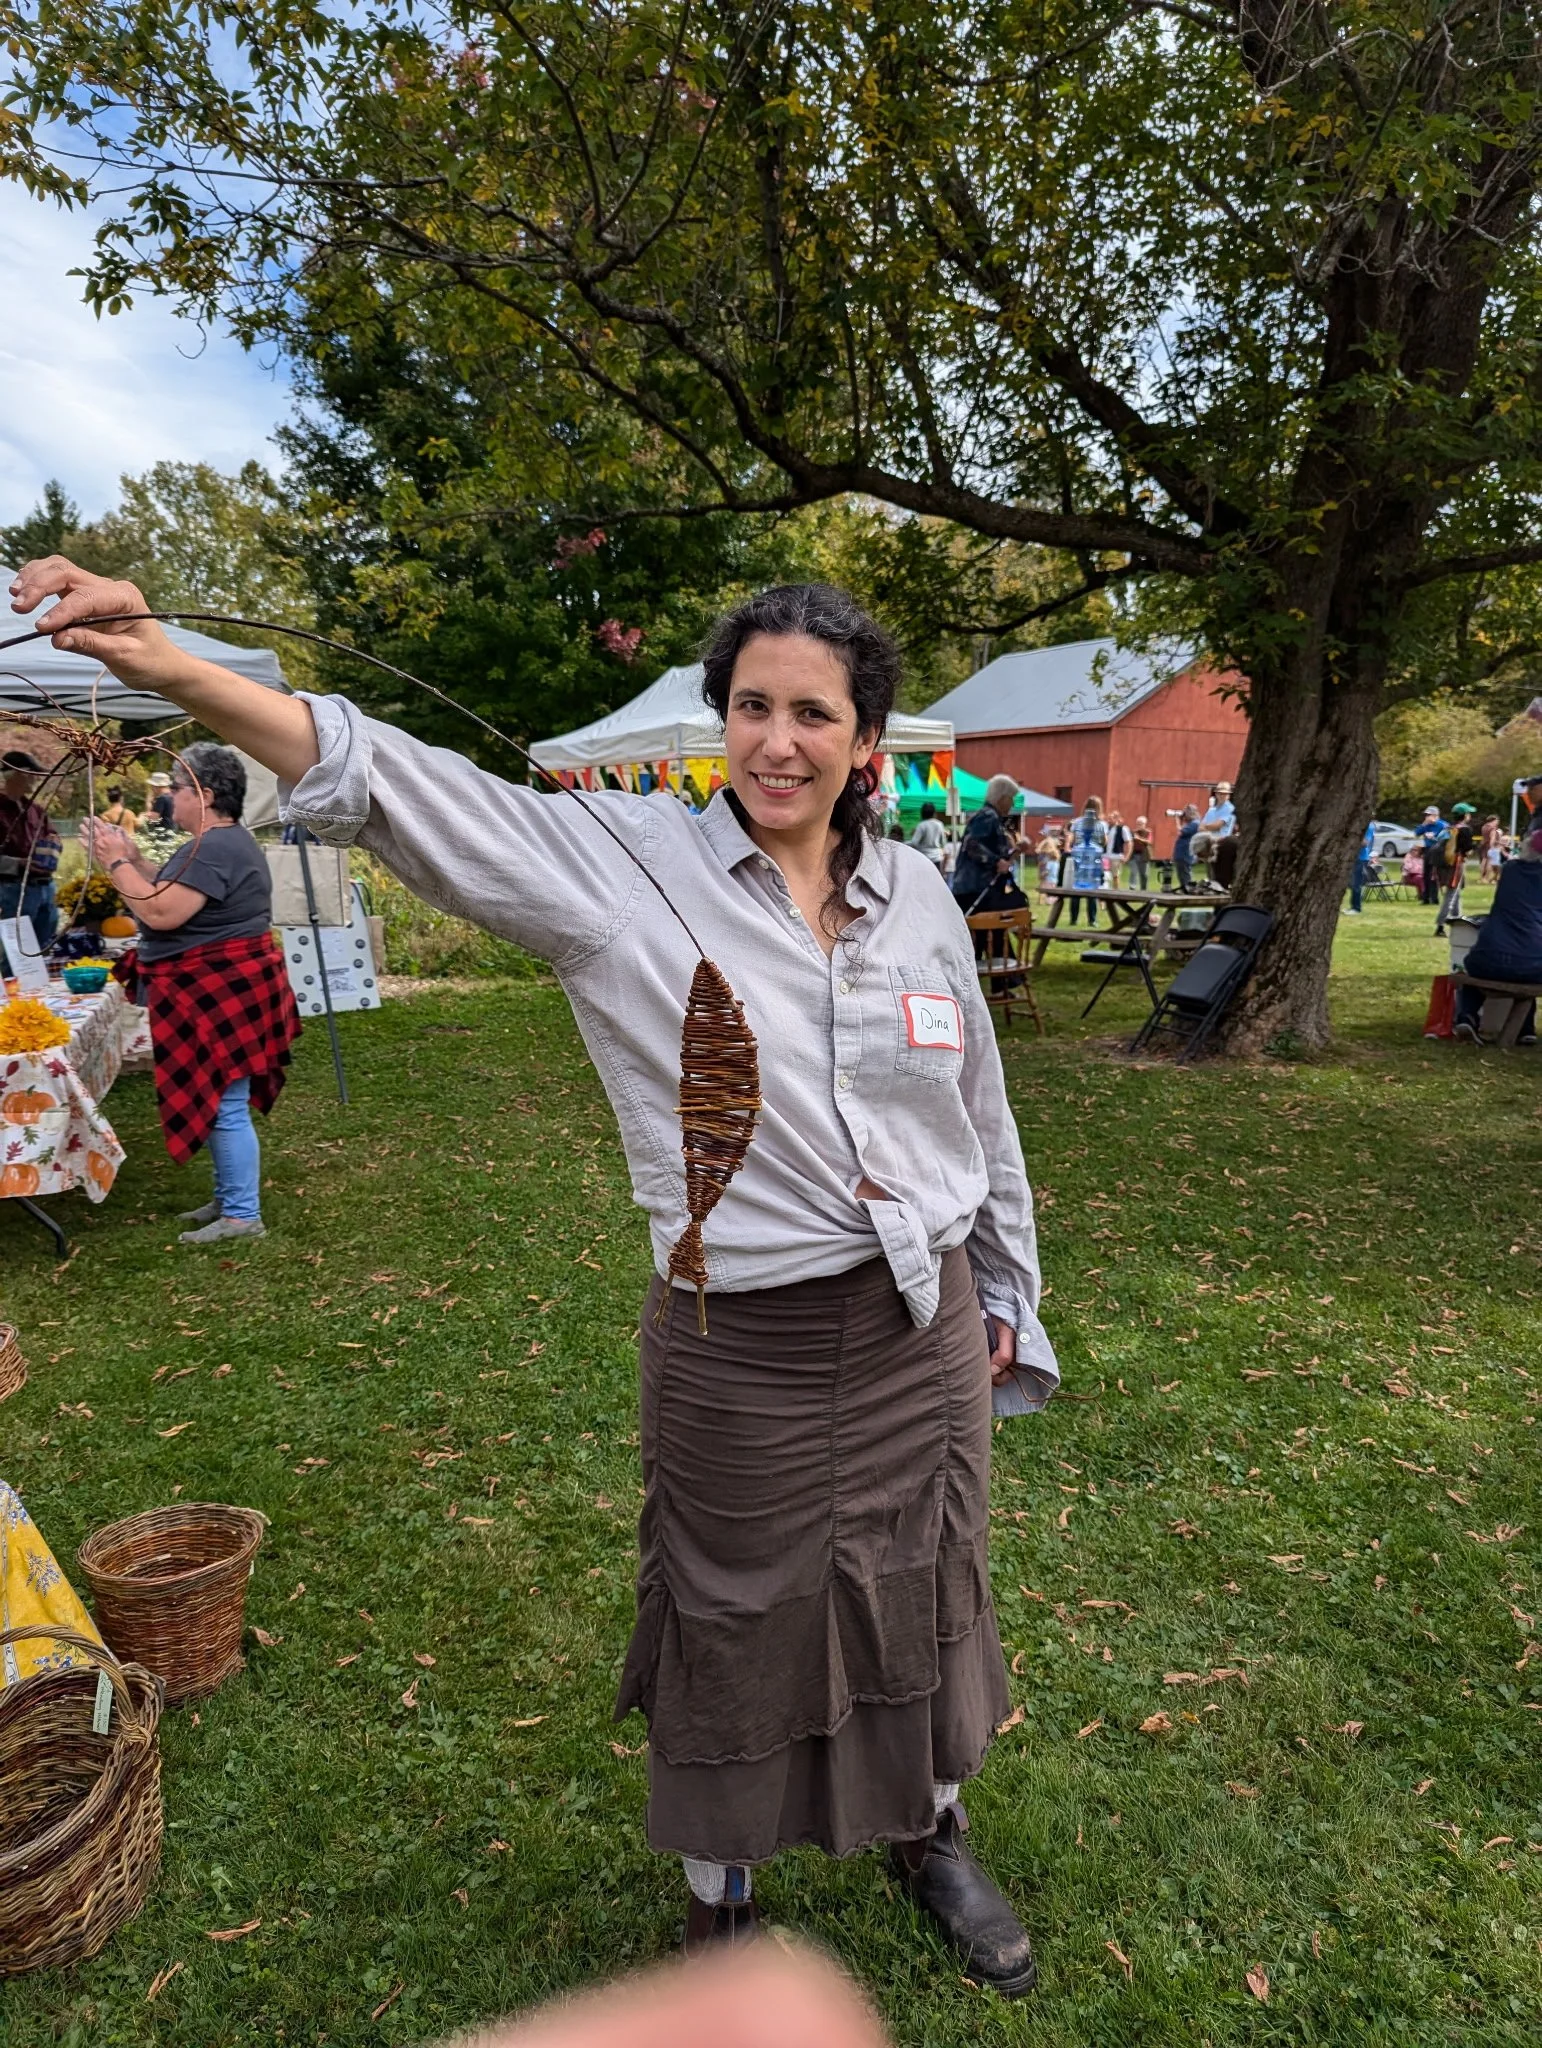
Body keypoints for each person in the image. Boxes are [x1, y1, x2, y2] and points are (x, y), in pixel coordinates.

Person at [14, 561, 1058, 1996]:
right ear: (719, 722)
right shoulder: (623, 872)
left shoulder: (922, 899)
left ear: (863, 742)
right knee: (738, 1623)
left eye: (812, 713)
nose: (776, 740)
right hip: (739, 1344)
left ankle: (928, 1827)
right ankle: (724, 1895)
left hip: (920, 1334)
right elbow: (398, 785)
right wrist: (175, 667)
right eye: (749, 705)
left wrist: (1005, 1283)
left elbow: (978, 1110)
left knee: (926, 1586)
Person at [82, 742, 300, 1246]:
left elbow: (160, 913)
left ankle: (243, 1216)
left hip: (218, 990)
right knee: (226, 1098)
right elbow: (174, 890)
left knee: (225, 1101)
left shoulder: (217, 846)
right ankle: (231, 1198)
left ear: (203, 795)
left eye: (176, 790)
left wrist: (117, 864)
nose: (167, 799)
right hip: (224, 988)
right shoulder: (217, 843)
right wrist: (134, 857)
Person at [1453, 811, 1542, 1045]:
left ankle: (1467, 1016)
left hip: (1489, 959)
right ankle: (1526, 1030)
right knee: (1530, 962)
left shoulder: (1511, 871)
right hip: (1533, 965)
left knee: (1471, 966)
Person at [0, 747, 62, 969]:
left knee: (44, 952)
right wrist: (18, 864)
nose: (36, 779)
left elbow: (52, 836)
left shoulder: (34, 809)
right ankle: (12, 1000)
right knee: (17, 957)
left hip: (45, 888)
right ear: (17, 774)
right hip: (12, 890)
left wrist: (53, 847)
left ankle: (40, 999)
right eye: (31, 773)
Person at [950, 773, 1023, 914]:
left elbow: (991, 850)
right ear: (1001, 798)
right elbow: (972, 845)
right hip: (976, 888)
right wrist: (997, 862)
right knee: (985, 933)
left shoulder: (990, 816)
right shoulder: (988, 816)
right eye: (1011, 798)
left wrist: (1013, 853)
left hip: (977, 887)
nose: (1012, 804)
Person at [1434, 801, 1476, 935]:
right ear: (1464, 815)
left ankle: (1458, 921)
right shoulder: (1465, 830)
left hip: (1445, 864)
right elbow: (1468, 850)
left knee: (1456, 893)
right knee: (1451, 894)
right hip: (1456, 864)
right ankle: (1440, 925)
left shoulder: (1448, 828)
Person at [1066, 797, 1107, 925]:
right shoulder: (1101, 824)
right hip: (1093, 857)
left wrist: (1068, 847)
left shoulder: (1077, 822)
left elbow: (1071, 837)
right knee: (1092, 889)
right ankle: (1092, 919)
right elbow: (1104, 841)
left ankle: (1073, 919)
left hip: (1079, 857)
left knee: (1076, 887)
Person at [1414, 806, 1448, 906]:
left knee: (1434, 875)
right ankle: (1425, 898)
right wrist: (1424, 824)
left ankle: (1434, 898)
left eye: (1429, 815)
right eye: (1426, 815)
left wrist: (1435, 834)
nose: (1427, 817)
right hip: (1428, 850)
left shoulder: (1442, 825)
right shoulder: (1426, 825)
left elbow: (1446, 837)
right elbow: (1416, 833)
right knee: (1426, 874)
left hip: (1438, 851)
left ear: (1435, 815)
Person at [1345, 819, 1375, 914]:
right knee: (1353, 883)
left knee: (1356, 884)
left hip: (1361, 858)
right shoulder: (1360, 824)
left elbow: (1365, 843)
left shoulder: (1369, 826)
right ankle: (1353, 906)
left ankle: (1356, 908)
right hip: (1354, 857)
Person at [1172, 804, 1201, 892]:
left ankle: (1189, 890)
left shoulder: (1195, 823)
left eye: (1185, 813)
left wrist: (1177, 821)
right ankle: (1185, 889)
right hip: (1182, 852)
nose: (1184, 815)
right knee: (1181, 872)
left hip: (1186, 852)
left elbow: (1180, 832)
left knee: (1185, 872)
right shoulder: (1191, 824)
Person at [908, 800, 945, 865]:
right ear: (934, 812)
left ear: (922, 813)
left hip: (924, 858)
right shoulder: (940, 824)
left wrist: (903, 843)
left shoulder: (922, 825)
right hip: (936, 858)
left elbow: (914, 843)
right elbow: (943, 842)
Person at [1105, 809, 1131, 886]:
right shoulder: (1106, 828)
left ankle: (1115, 894)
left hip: (1116, 856)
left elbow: (1129, 843)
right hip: (1105, 855)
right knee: (1104, 876)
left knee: (1115, 876)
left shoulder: (1123, 829)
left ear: (1116, 818)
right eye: (1108, 818)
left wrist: (1126, 856)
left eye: (1111, 818)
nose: (1109, 820)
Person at [1129, 815, 1153, 891]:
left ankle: (1143, 889)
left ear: (1144, 824)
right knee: (1133, 872)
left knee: (1144, 874)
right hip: (1134, 854)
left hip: (1144, 855)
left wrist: (1139, 839)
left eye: (1141, 824)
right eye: (1138, 823)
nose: (1139, 825)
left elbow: (1149, 842)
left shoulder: (1148, 832)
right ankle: (1132, 887)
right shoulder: (1133, 832)